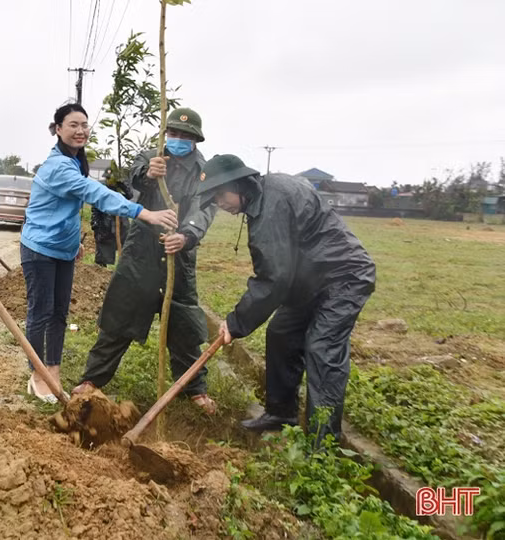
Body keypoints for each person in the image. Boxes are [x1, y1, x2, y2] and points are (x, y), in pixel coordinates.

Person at [197, 154, 376, 440]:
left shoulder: (272, 205)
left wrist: (236, 322)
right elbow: (282, 272)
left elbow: (274, 278)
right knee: (281, 333)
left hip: (343, 277)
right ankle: (282, 413)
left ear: (238, 184)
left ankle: (324, 442)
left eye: (220, 195)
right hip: (310, 279)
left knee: (322, 348)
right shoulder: (262, 197)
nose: (220, 204)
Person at [21, 103, 178, 403]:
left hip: (62, 250)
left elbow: (66, 209)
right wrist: (143, 212)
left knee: (59, 313)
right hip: (39, 249)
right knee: (40, 313)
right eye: (72, 125)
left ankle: (52, 370)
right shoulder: (57, 166)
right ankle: (37, 374)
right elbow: (93, 193)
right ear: (57, 129)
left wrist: (73, 243)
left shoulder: (77, 159)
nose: (80, 131)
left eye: (84, 125)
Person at [73, 107, 218, 414]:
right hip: (141, 251)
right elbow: (135, 182)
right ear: (166, 135)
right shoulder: (151, 157)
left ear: (196, 140)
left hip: (178, 254)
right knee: (119, 316)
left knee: (184, 325)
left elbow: (204, 209)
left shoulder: (204, 171)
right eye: (173, 134)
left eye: (185, 136)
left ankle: (194, 388)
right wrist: (149, 174)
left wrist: (187, 235)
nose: (177, 140)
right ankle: (92, 379)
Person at [90, 168, 133, 267]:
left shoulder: (119, 191)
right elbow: (95, 209)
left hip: (121, 223)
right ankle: (101, 267)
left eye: (111, 178)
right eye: (107, 178)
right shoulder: (101, 189)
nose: (109, 180)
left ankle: (123, 268)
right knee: (103, 249)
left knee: (125, 247)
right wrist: (95, 224)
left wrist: (121, 184)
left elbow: (130, 195)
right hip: (105, 223)